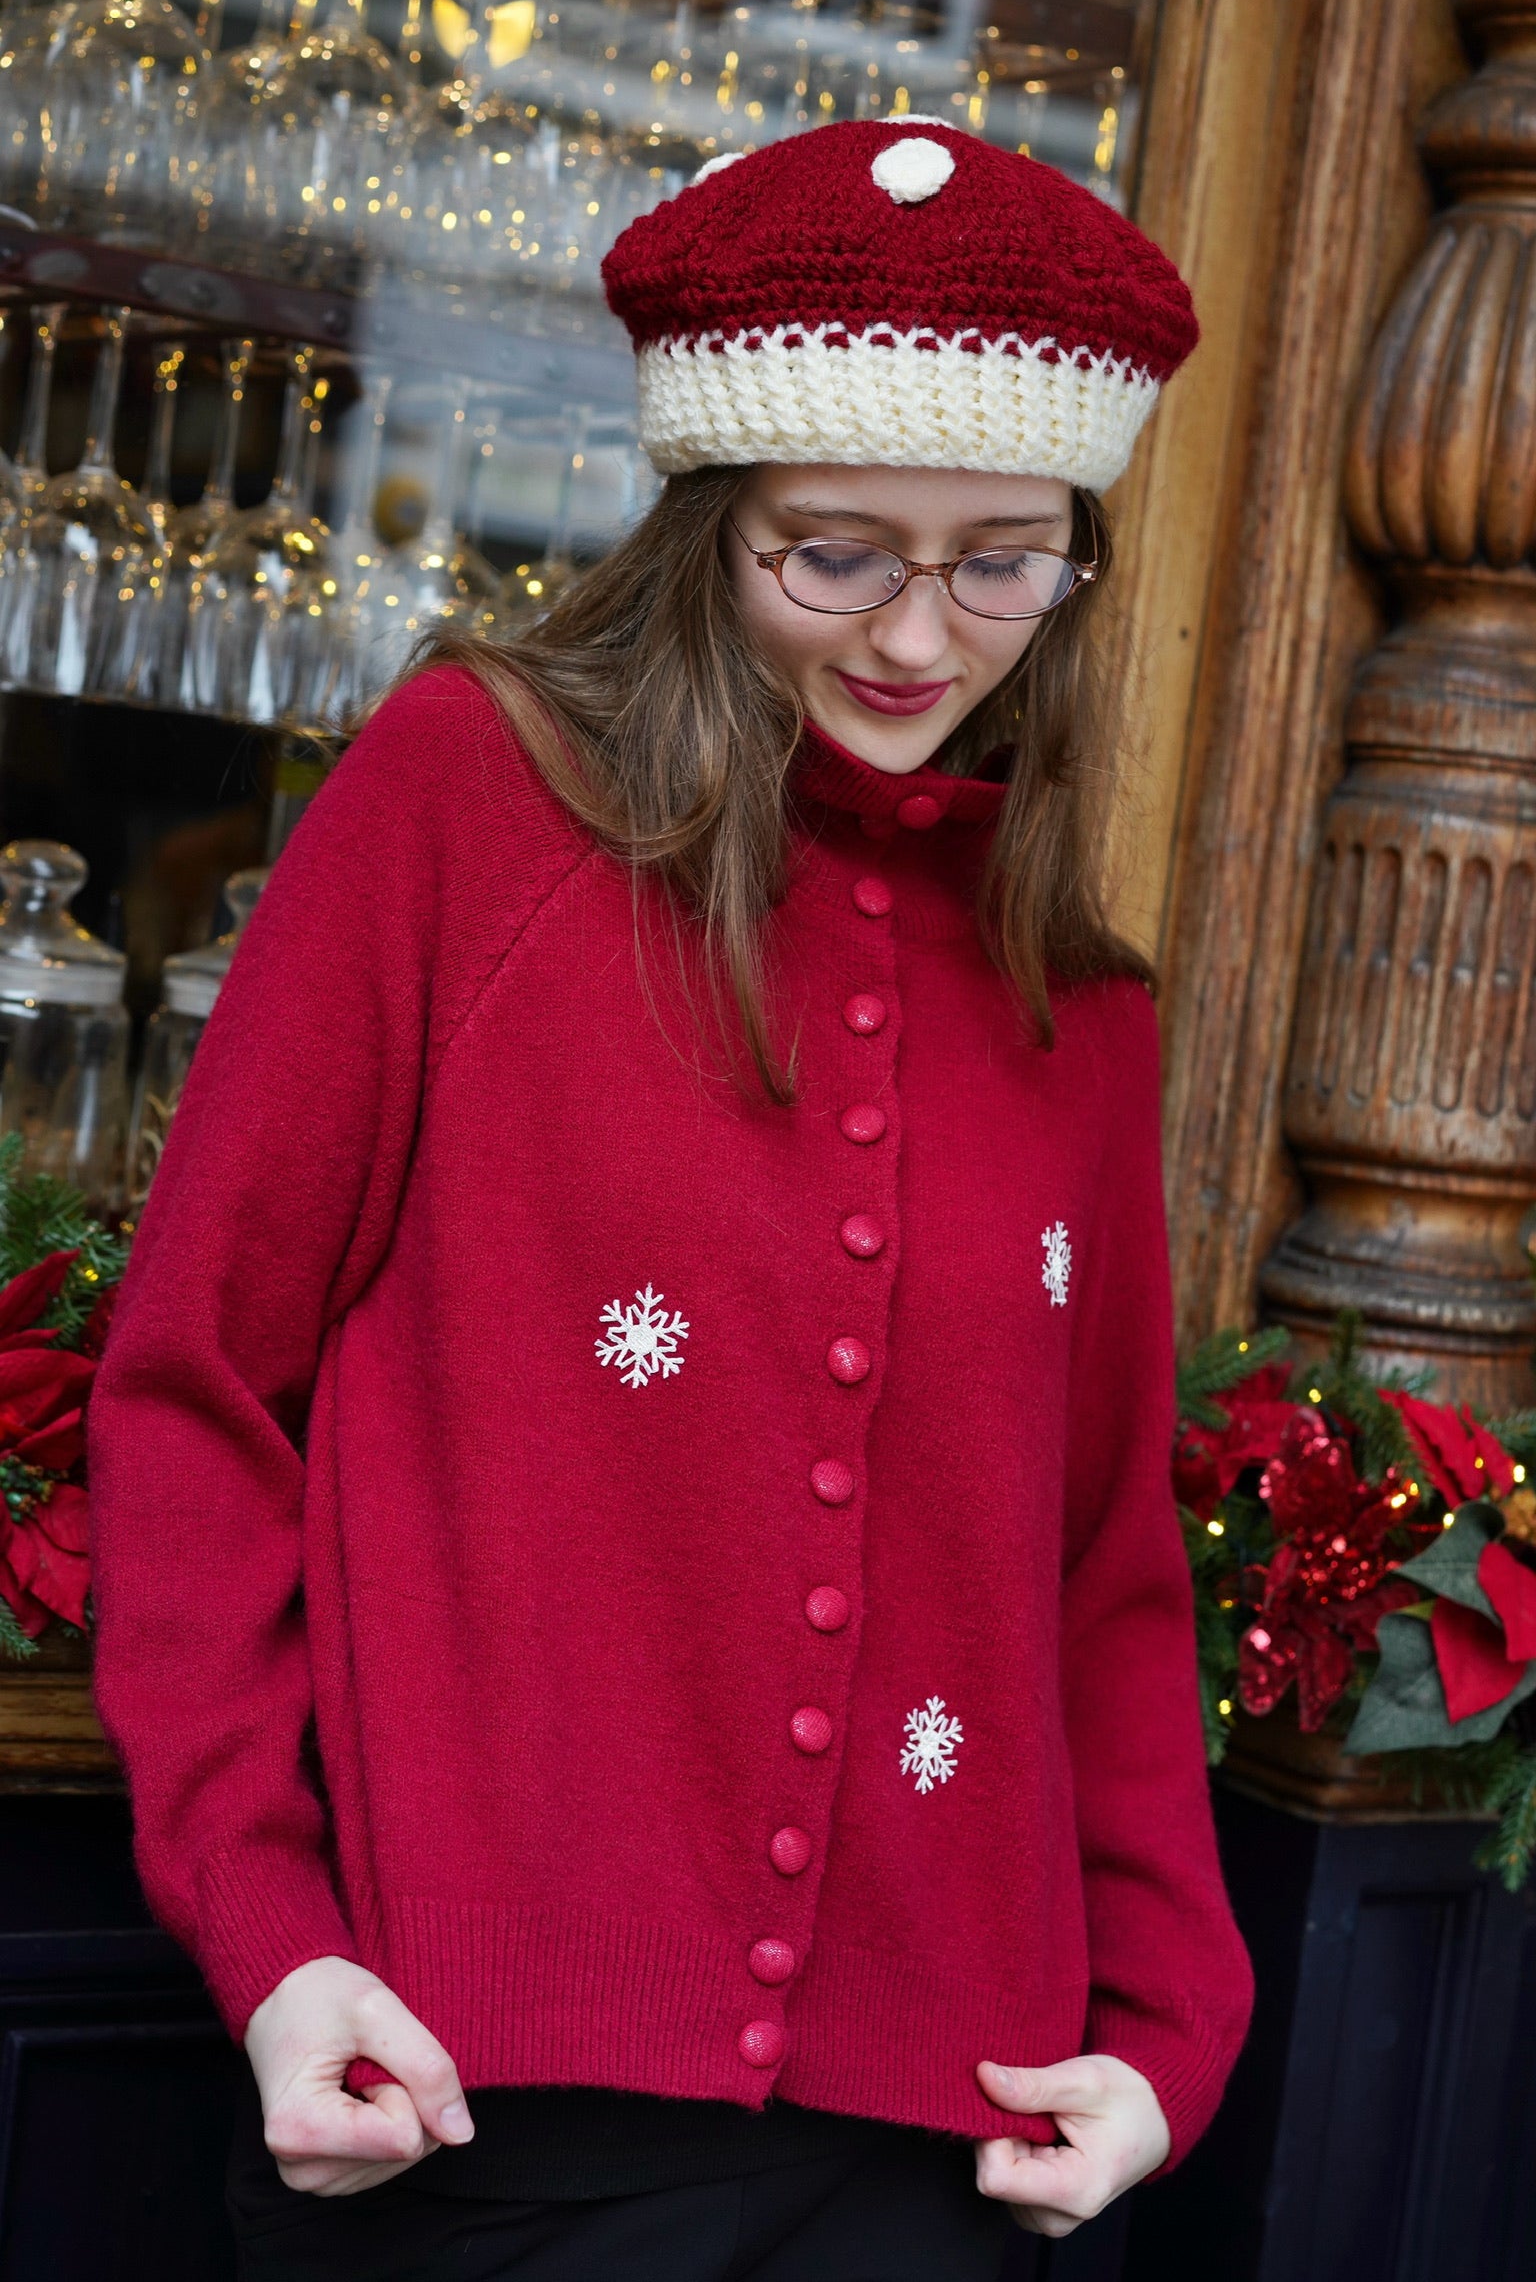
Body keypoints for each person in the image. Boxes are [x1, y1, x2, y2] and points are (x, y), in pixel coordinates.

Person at [89, 116, 1254, 2281]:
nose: (924, 632)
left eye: (1005, 557)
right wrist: (268, 1937)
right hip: (467, 2112)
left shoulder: (1075, 1007)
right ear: (705, 521)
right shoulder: (467, 805)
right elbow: (189, 1397)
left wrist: (1171, 2035)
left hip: (952, 2154)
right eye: (837, 553)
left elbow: (1098, 1570)